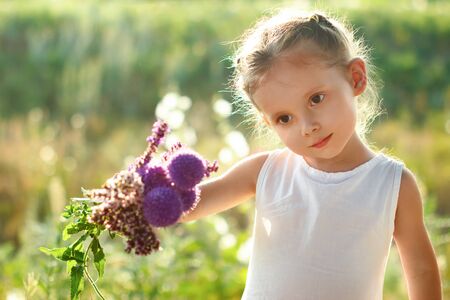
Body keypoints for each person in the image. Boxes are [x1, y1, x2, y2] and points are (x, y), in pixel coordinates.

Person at [178, 9, 442, 300]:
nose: (307, 127)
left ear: (355, 78)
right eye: (284, 118)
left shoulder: (392, 184)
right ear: (268, 122)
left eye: (316, 99)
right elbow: (189, 206)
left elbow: (421, 271)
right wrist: (139, 193)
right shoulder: (265, 172)